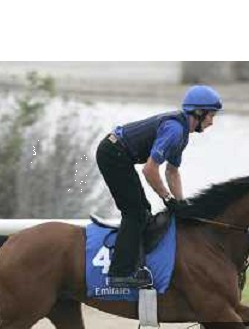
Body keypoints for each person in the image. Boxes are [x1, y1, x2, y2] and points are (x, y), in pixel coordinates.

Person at [95, 84, 223, 288]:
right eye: (211, 116)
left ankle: (132, 263)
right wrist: (167, 198)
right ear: (198, 112)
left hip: (121, 154)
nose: (211, 122)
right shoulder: (174, 130)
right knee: (136, 213)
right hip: (112, 153)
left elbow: (172, 172)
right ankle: (119, 273)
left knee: (143, 210)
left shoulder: (182, 134)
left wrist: (182, 204)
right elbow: (149, 170)